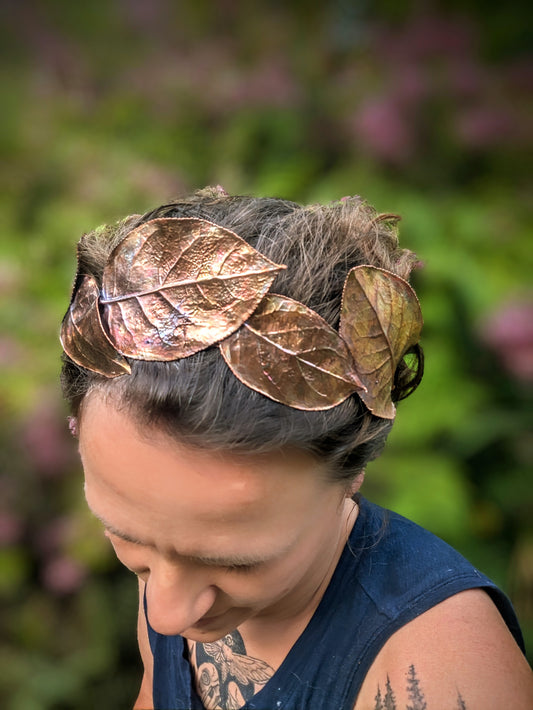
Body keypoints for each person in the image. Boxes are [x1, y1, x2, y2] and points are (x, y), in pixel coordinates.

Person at [59, 187, 532, 710]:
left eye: (235, 564)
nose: (166, 614)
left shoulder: (443, 675)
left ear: (351, 473)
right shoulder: (176, 550)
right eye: (128, 540)